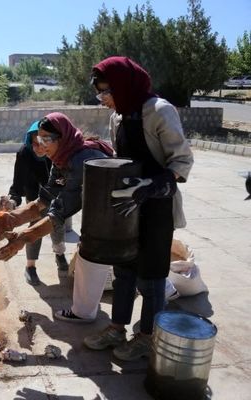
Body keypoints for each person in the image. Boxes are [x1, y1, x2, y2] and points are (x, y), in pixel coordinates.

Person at [83, 56, 194, 361]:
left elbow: (182, 162)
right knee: (123, 269)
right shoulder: (118, 116)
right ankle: (116, 328)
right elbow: (120, 158)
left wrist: (151, 186)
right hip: (128, 205)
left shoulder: (160, 111)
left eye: (107, 92)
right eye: (100, 93)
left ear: (123, 86)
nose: (103, 99)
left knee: (152, 276)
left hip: (157, 206)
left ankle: (147, 336)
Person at [0, 113, 114, 280]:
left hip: (117, 221)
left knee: (122, 278)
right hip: (98, 219)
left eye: (46, 140)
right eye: (39, 140)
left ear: (61, 138)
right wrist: (11, 219)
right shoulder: (61, 159)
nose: (41, 146)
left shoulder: (81, 161)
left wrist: (23, 238)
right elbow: (44, 199)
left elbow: (58, 215)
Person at [0, 121, 72, 285]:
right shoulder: (24, 153)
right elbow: (17, 185)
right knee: (34, 227)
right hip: (35, 195)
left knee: (57, 226)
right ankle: (30, 267)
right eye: (34, 144)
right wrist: (11, 202)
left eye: (42, 143)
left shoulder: (58, 154)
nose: (38, 148)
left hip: (56, 194)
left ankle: (59, 255)